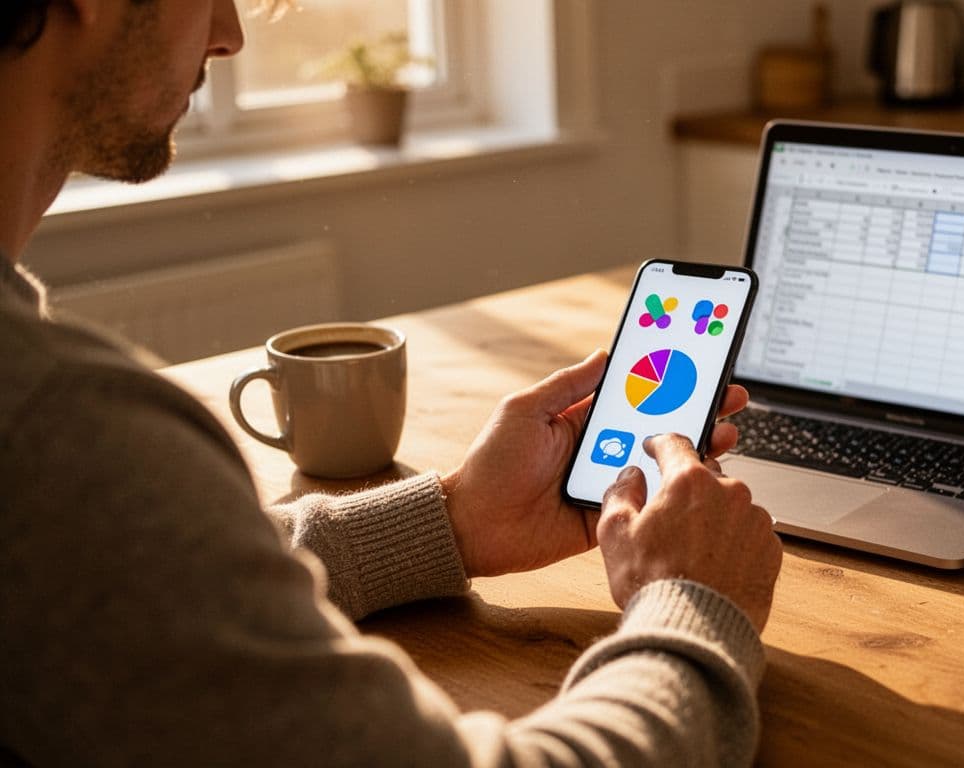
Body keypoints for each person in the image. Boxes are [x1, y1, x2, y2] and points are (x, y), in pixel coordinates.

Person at [0, 1, 783, 765]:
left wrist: (451, 519)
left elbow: (150, 594)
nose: (229, 35)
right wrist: (692, 607)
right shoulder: (61, 433)